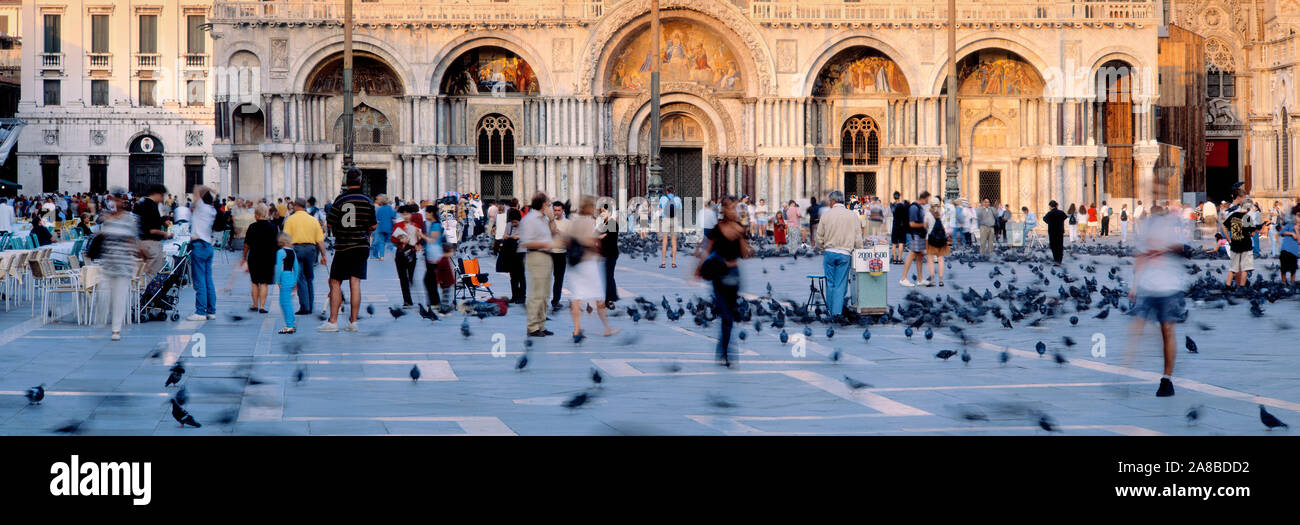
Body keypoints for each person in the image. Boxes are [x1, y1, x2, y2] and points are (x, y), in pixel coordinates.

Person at [1126, 206, 1187, 397]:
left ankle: (1166, 379)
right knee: (1137, 328)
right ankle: (1124, 372)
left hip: (1170, 286)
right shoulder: (1145, 230)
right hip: (1149, 285)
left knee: (1166, 330)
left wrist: (1165, 249)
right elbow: (1140, 257)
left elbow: (1182, 248)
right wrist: (1134, 285)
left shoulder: (1173, 227)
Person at [319, 169, 377, 332]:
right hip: (361, 246)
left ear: (346, 182)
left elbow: (329, 223)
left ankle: (333, 321)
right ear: (360, 182)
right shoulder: (367, 200)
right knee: (355, 282)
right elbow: (373, 225)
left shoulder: (340, 200)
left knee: (335, 282)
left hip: (344, 246)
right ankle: (353, 322)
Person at [698, 195, 750, 367]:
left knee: (729, 317)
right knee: (726, 315)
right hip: (719, 275)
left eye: (737, 208)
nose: (735, 211)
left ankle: (723, 351)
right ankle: (726, 353)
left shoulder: (741, 228)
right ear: (724, 210)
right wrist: (697, 269)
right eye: (732, 207)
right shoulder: (716, 228)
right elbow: (707, 249)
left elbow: (745, 254)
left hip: (734, 275)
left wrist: (741, 236)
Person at [564, 196, 618, 339]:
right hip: (588, 263)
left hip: (574, 264)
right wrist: (597, 250)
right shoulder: (590, 222)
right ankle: (607, 328)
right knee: (599, 297)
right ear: (588, 208)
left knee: (576, 297)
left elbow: (567, 241)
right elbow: (590, 241)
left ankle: (576, 329)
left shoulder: (573, 223)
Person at [94, 189, 142, 341]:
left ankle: (116, 329)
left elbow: (132, 240)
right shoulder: (107, 219)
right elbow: (99, 231)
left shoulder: (129, 219)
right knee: (103, 293)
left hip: (123, 264)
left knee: (119, 297)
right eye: (113, 200)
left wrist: (134, 256)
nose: (115, 203)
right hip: (108, 262)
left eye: (119, 200)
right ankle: (100, 321)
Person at [816, 191, 862, 319]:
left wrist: (821, 248)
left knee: (830, 282)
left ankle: (830, 311)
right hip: (844, 254)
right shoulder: (852, 215)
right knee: (840, 284)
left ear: (833, 202)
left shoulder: (826, 215)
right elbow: (858, 237)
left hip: (829, 253)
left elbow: (819, 236)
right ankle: (836, 313)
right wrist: (859, 249)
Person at [283, 198, 328, 314]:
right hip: (311, 250)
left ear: (297, 206)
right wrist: (323, 255)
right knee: (309, 277)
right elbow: (320, 240)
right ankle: (310, 305)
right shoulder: (313, 220)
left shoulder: (290, 220)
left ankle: (304, 307)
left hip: (297, 249)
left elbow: (286, 239)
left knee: (300, 278)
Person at [519, 192, 555, 337]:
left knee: (545, 294)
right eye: (548, 203)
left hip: (547, 257)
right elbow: (526, 242)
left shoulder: (544, 219)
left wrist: (552, 219)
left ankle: (541, 324)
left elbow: (554, 233)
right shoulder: (530, 219)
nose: (550, 205)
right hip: (536, 256)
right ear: (543, 204)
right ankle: (532, 327)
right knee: (536, 294)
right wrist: (545, 244)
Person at [186, 186, 218, 322]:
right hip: (208, 245)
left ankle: (200, 311)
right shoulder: (212, 210)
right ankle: (211, 311)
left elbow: (197, 189)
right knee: (208, 280)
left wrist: (208, 188)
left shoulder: (201, 208)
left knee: (199, 280)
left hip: (199, 245)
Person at [241, 203, 279, 314]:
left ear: (257, 214)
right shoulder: (273, 227)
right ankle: (262, 306)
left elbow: (246, 244)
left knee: (254, 282)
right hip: (268, 258)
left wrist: (244, 257)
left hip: (254, 257)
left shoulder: (252, 227)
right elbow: (277, 243)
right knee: (264, 283)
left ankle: (255, 304)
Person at [134, 184, 173, 279]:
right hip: (152, 245)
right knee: (153, 275)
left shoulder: (141, 203)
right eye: (162, 195)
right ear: (157, 194)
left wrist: (162, 221)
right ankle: (150, 294)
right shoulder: (152, 206)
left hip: (140, 243)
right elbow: (152, 230)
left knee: (143, 275)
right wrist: (165, 234)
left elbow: (145, 222)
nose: (162, 198)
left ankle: (143, 292)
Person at [1222, 196, 1257, 289]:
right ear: (1249, 208)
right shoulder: (1247, 218)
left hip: (1235, 244)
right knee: (1245, 268)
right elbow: (1253, 233)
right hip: (1246, 245)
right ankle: (1241, 287)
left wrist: (1228, 238)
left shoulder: (1233, 215)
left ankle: (1227, 286)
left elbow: (1223, 226)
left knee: (1233, 268)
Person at [390, 204, 420, 309]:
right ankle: (407, 300)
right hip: (400, 253)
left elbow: (419, 239)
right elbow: (392, 239)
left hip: (411, 252)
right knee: (403, 278)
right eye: (404, 214)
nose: (406, 216)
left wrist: (417, 243)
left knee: (410, 277)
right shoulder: (398, 225)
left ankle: (410, 295)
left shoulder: (415, 226)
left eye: (408, 214)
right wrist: (400, 240)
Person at [900, 191, 932, 287]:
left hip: (920, 234)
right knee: (912, 254)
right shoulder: (914, 208)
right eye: (927, 199)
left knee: (920, 255)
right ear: (923, 198)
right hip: (915, 235)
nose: (928, 201)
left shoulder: (920, 207)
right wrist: (924, 225)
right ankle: (903, 278)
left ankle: (920, 279)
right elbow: (912, 224)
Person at [274, 233, 303, 334]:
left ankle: (289, 325)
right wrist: (295, 281)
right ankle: (291, 322)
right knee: (287, 302)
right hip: (290, 276)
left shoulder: (280, 252)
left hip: (284, 277)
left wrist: (278, 281)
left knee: (284, 303)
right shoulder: (292, 252)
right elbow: (296, 268)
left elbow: (278, 268)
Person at [597, 204, 620, 308]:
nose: (602, 213)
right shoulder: (605, 223)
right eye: (601, 211)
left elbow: (609, 239)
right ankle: (610, 297)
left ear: (609, 212)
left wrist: (601, 237)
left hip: (611, 253)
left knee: (609, 276)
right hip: (606, 253)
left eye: (604, 211)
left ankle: (609, 299)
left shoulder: (612, 223)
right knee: (608, 276)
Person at [549, 201, 570, 311]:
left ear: (563, 211)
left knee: (558, 278)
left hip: (561, 253)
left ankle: (556, 300)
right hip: (549, 253)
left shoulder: (567, 223)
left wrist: (560, 233)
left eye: (558, 210)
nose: (556, 212)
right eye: (555, 210)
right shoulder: (549, 222)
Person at [925, 203, 950, 287]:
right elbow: (947, 225)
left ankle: (932, 280)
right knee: (941, 259)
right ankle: (941, 280)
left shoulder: (928, 214)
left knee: (930, 260)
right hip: (941, 239)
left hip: (930, 239)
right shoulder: (943, 213)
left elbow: (925, 226)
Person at [659, 186, 683, 268]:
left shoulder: (663, 198)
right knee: (674, 242)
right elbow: (680, 210)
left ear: (667, 192)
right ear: (674, 192)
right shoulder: (678, 199)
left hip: (665, 220)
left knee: (664, 241)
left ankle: (663, 263)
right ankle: (673, 263)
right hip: (674, 220)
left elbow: (660, 209)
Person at [1279, 205, 1300, 285]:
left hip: (1294, 252)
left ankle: (1292, 283)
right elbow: (1281, 232)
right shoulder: (1289, 225)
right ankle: (1283, 282)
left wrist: (1296, 231)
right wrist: (1291, 233)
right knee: (1283, 268)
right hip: (1285, 249)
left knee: (1293, 269)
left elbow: (1299, 242)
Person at [371, 195, 395, 261]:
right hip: (389, 227)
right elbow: (393, 216)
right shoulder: (390, 208)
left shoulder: (380, 208)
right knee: (390, 242)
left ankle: (381, 256)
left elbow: (377, 218)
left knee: (381, 242)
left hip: (381, 227)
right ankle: (394, 254)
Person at [889, 192, 908, 264]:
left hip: (895, 224)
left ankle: (894, 259)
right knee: (901, 243)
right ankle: (899, 259)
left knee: (894, 243)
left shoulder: (892, 205)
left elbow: (892, 209)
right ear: (899, 197)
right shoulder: (903, 205)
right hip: (902, 225)